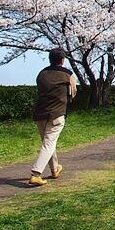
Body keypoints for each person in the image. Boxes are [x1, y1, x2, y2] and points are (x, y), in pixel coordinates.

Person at [29, 47, 77, 187]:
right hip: (56, 114)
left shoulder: (42, 73)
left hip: (39, 113)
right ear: (62, 60)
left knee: (48, 142)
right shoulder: (67, 74)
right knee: (49, 144)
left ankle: (55, 169)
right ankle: (36, 174)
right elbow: (73, 92)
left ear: (50, 59)